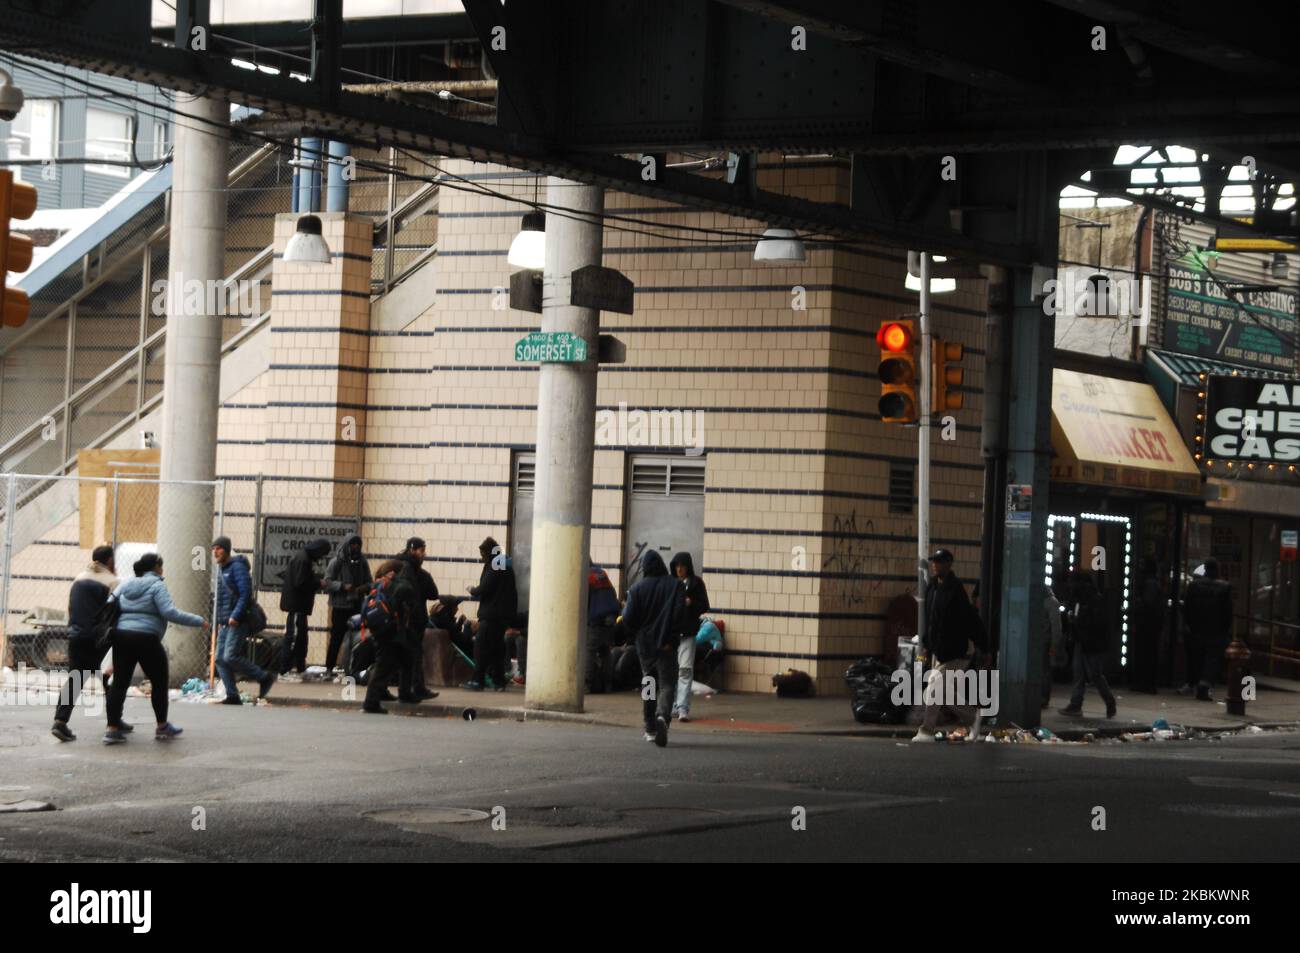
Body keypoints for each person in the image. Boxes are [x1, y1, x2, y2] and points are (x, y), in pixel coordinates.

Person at [103, 553, 205, 744]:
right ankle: (162, 726)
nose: (162, 569)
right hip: (146, 638)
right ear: (156, 568)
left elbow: (110, 603)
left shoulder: (125, 584)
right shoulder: (157, 585)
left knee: (120, 683)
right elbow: (169, 612)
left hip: (122, 636)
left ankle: (112, 729)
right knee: (159, 681)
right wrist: (198, 621)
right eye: (161, 566)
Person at [913, 548, 987, 742]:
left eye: (939, 562)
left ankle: (926, 731)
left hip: (956, 651)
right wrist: (927, 644)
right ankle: (973, 717)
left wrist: (984, 646)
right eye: (934, 562)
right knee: (942, 692)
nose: (935, 565)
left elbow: (970, 620)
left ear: (949, 564)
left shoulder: (956, 590)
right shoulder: (932, 588)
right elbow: (931, 620)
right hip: (940, 650)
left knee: (934, 688)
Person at [51, 545, 124, 742]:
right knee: (109, 678)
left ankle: (60, 721)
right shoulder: (113, 582)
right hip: (98, 639)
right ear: (110, 560)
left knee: (75, 679)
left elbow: (70, 608)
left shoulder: (79, 577)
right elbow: (114, 613)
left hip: (76, 636)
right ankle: (115, 720)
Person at [621, 549, 681, 747]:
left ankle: (649, 727)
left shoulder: (637, 589)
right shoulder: (675, 585)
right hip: (667, 645)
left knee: (649, 683)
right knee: (667, 684)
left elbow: (628, 618)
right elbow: (680, 615)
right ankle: (662, 716)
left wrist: (638, 633)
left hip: (645, 646)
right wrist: (671, 638)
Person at [212, 536, 276, 705]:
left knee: (230, 655)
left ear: (226, 550)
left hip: (238, 620)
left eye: (218, 548)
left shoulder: (237, 567)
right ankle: (232, 695)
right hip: (226, 620)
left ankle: (264, 677)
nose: (215, 552)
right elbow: (222, 598)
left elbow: (245, 594)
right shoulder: (221, 569)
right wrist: (220, 619)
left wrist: (235, 615)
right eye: (214, 549)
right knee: (219, 658)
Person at [1058, 569, 1117, 718]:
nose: (1070, 585)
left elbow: (1095, 622)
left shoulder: (1092, 599)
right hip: (1084, 640)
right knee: (1080, 673)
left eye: (1072, 582)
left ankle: (1109, 702)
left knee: (1093, 674)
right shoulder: (1081, 598)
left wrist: (1076, 622)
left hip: (1092, 642)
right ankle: (1076, 704)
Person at [463, 537, 517, 692]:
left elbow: (485, 587)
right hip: (502, 616)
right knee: (496, 649)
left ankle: (477, 680)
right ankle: (499, 681)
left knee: (482, 646)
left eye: (483, 553)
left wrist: (472, 590)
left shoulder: (496, 566)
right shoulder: (505, 565)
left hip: (492, 615)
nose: (482, 557)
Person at [363, 560, 416, 714]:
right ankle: (371, 703)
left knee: (407, 659)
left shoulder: (383, 584)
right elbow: (406, 591)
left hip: (390, 631)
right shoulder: (391, 585)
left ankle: (404, 693)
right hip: (388, 631)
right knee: (383, 665)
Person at [1181, 558, 1234, 701]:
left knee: (1196, 657)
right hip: (1216, 630)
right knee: (1212, 659)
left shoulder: (1194, 586)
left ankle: (1192, 683)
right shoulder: (1224, 587)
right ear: (1216, 570)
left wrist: (1189, 624)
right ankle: (1204, 687)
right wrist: (1225, 629)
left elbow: (1188, 608)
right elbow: (1227, 612)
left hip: (1196, 629)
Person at [394, 537, 439, 700]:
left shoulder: (398, 566)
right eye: (421, 550)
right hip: (410, 618)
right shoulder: (412, 571)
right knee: (412, 655)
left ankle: (407, 689)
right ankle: (414, 689)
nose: (424, 554)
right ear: (412, 550)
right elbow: (433, 593)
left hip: (406, 618)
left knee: (404, 655)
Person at [278, 538, 331, 675]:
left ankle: (299, 667)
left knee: (300, 638)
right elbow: (300, 582)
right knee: (293, 638)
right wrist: (318, 583)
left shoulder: (303, 557)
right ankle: (285, 670)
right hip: (297, 605)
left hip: (298, 606)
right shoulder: (304, 560)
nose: (322, 557)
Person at [669, 551, 709, 721]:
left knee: (684, 670)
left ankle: (682, 707)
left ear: (688, 567)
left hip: (687, 633)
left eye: (682, 566)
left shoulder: (696, 584)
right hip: (671, 634)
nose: (679, 569)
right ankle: (673, 705)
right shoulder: (670, 584)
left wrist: (691, 603)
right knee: (671, 671)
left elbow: (705, 605)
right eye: (677, 566)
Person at [325, 534, 372, 675]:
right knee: (336, 638)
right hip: (340, 606)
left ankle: (352, 667)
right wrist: (342, 586)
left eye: (358, 544)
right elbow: (327, 582)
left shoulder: (362, 562)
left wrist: (362, 588)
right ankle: (329, 668)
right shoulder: (337, 561)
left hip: (357, 605)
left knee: (357, 638)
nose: (356, 547)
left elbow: (370, 582)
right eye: (353, 544)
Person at [586, 560, 621, 694]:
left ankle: (586, 684)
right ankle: (608, 685)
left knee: (589, 651)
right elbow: (613, 593)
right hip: (610, 619)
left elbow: (583, 599)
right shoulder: (602, 573)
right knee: (605, 651)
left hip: (595, 620)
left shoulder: (586, 576)